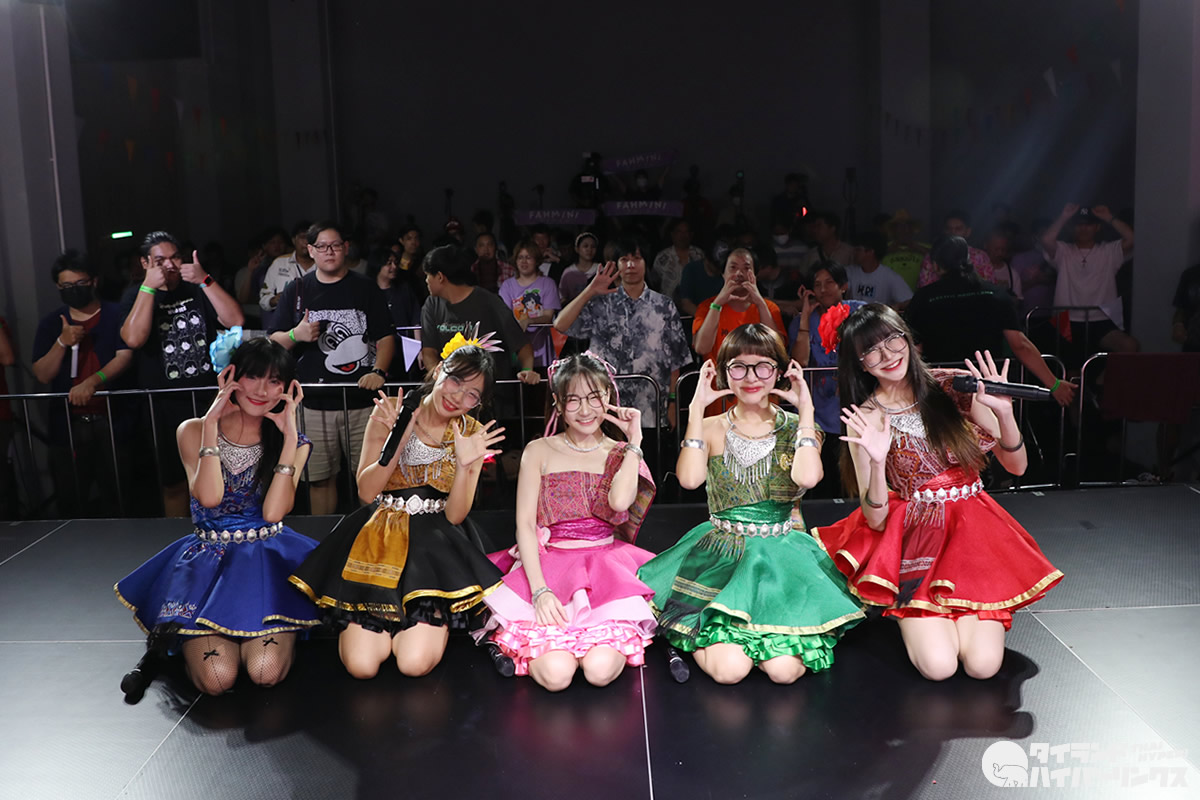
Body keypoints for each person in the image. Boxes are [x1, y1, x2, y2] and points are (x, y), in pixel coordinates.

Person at [812, 304, 1063, 680]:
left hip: (973, 533)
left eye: (893, 340)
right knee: (938, 667)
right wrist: (878, 463)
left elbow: (1017, 467)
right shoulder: (866, 418)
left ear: (908, 339)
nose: (887, 355)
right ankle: (914, 613)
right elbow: (875, 518)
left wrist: (1005, 414)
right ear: (860, 364)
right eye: (872, 351)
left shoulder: (954, 387)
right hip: (916, 538)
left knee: (983, 666)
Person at [637, 324, 863, 684]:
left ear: (779, 372)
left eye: (763, 366)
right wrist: (695, 410)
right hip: (722, 555)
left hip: (782, 558)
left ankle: (753, 640)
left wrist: (807, 411)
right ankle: (722, 639)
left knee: (785, 671)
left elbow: (807, 478)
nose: (751, 377)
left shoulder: (798, 426)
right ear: (724, 373)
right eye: (739, 367)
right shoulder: (710, 426)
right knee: (729, 671)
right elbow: (690, 480)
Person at [289, 342, 509, 679]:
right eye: (455, 381)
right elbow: (366, 492)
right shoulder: (391, 410)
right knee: (361, 666)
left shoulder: (472, 434)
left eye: (472, 395)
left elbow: (455, 516)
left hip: (434, 547)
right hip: (378, 538)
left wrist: (467, 465)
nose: (458, 396)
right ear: (439, 371)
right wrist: (398, 439)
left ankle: (426, 622)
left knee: (413, 663)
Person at [115, 337, 319, 698]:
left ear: (288, 389)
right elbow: (209, 498)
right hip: (208, 564)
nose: (262, 390)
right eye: (253, 376)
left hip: (267, 564)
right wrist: (211, 423)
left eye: (274, 381)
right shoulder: (193, 430)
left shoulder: (294, 443)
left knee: (264, 670)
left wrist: (289, 439)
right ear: (231, 377)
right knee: (217, 678)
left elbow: (273, 512)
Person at [478, 353, 659, 690]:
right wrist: (539, 591)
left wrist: (634, 443)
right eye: (574, 399)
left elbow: (620, 503)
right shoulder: (538, 450)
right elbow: (525, 526)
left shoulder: (620, 451)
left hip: (605, 570)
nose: (585, 409)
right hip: (549, 568)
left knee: (599, 671)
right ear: (558, 404)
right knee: (556, 675)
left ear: (608, 397)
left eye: (594, 397)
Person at [269, 221, 396, 516]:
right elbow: (274, 341)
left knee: (371, 480)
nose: (329, 251)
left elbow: (386, 337)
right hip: (314, 403)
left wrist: (378, 371)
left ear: (346, 248)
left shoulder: (365, 287)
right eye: (322, 246)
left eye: (335, 245)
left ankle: (376, 537)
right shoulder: (296, 289)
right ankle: (324, 537)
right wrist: (296, 335)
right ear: (310, 250)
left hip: (363, 403)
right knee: (319, 480)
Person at [120, 231, 244, 517]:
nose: (169, 265)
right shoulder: (135, 295)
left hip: (207, 398)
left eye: (174, 257)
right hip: (162, 403)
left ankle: (223, 531)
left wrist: (205, 279)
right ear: (145, 263)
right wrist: (148, 288)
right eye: (160, 260)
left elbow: (235, 320)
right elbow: (134, 339)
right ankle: (181, 536)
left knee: (220, 476)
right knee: (174, 482)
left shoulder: (197, 288)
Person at [906, 237, 1076, 406]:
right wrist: (1054, 384)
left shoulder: (923, 298)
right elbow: (1020, 345)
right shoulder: (995, 294)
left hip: (941, 387)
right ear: (969, 259)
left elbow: (913, 349)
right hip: (987, 385)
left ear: (935, 265)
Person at [32, 250, 134, 517]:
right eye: (66, 286)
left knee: (120, 496)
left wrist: (93, 382)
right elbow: (42, 373)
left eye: (80, 284)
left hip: (113, 419)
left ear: (94, 281)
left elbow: (124, 356)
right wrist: (62, 342)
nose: (73, 290)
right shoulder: (51, 324)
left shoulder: (116, 314)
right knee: (71, 499)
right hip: (68, 425)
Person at [553, 236, 692, 431]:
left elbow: (675, 360)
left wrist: (672, 402)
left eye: (636, 258)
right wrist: (590, 291)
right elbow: (560, 324)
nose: (630, 265)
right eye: (624, 259)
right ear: (615, 265)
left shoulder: (664, 306)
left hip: (652, 410)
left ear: (646, 263)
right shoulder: (600, 303)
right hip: (606, 409)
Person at [789, 265, 865, 497]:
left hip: (851, 407)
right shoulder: (802, 321)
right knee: (821, 482)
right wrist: (805, 315)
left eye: (829, 282)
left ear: (844, 286)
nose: (823, 289)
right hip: (817, 412)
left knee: (850, 481)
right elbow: (800, 361)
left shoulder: (859, 311)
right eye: (817, 284)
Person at [419, 244, 539, 388]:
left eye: (428, 275)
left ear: (440, 277)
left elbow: (522, 345)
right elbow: (429, 352)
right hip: (452, 394)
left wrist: (527, 369)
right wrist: (440, 378)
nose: (426, 281)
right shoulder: (431, 305)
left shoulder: (490, 302)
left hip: (494, 393)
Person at [1041, 204, 1138, 363]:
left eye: (1088, 224)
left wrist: (1109, 217)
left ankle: (1101, 379)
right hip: (1065, 318)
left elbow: (1132, 238)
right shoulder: (1063, 250)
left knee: (1129, 346)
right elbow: (1046, 240)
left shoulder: (1108, 251)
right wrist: (1064, 216)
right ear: (1072, 228)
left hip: (1102, 316)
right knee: (1070, 364)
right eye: (1079, 224)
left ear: (1097, 227)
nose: (1083, 229)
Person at [692, 248, 786, 366]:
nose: (739, 273)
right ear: (723, 274)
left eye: (746, 268)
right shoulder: (707, 307)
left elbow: (778, 350)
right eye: (733, 267)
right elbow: (701, 348)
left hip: (759, 376)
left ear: (755, 274)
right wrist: (717, 304)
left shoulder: (769, 307)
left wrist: (760, 304)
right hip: (718, 377)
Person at [499, 240, 561, 368]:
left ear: (537, 261)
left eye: (528, 257)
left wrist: (529, 321)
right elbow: (505, 317)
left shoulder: (548, 284)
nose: (524, 261)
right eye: (520, 257)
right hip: (516, 349)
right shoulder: (507, 286)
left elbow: (548, 316)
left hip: (543, 349)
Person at [258, 220, 314, 331]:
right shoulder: (279, 263)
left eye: (310, 238)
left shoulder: (323, 264)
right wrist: (274, 300)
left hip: (314, 324)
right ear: (293, 240)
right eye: (302, 237)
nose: (306, 242)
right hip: (285, 326)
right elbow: (263, 298)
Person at [917, 210, 994, 287]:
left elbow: (990, 286)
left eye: (958, 229)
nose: (952, 232)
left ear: (968, 232)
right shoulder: (932, 257)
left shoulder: (980, 257)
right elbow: (924, 288)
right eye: (948, 228)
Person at [845, 232, 913, 310]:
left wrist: (896, 307)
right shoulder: (849, 271)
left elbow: (909, 300)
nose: (854, 253)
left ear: (870, 252)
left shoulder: (889, 276)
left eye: (858, 250)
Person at [651, 219, 704, 300]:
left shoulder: (699, 254)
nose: (683, 236)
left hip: (694, 303)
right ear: (672, 234)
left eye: (686, 232)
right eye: (679, 232)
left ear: (691, 235)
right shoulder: (662, 257)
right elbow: (654, 282)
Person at [881, 209, 928, 291]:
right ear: (894, 230)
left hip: (920, 296)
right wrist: (888, 250)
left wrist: (917, 248)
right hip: (890, 296)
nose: (903, 229)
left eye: (907, 226)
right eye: (899, 226)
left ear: (912, 229)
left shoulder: (925, 248)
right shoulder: (882, 248)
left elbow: (939, 260)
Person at [558, 232, 600, 305]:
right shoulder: (568, 272)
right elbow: (562, 297)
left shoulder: (600, 270)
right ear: (577, 249)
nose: (589, 249)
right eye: (585, 246)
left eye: (593, 247)